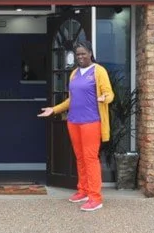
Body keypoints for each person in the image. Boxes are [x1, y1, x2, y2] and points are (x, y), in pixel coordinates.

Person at [38, 40, 114, 211]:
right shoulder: (74, 74)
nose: (80, 56)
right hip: (74, 121)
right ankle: (84, 190)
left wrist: (104, 98)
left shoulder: (98, 71)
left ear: (90, 53)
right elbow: (71, 100)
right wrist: (54, 109)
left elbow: (109, 93)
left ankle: (95, 197)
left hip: (91, 122)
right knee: (80, 158)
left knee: (90, 159)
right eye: (77, 54)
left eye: (83, 53)